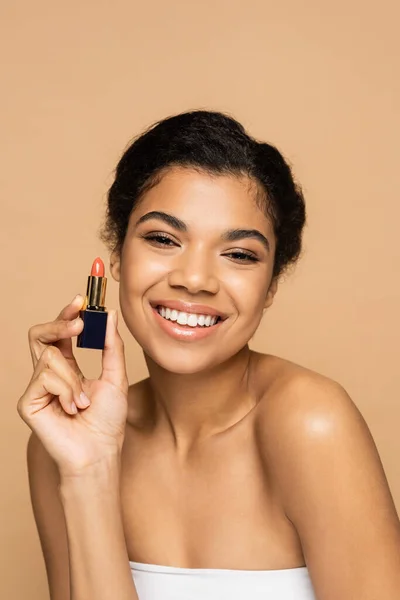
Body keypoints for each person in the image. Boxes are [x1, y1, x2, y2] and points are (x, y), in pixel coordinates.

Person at [18, 110, 400, 600]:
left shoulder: (311, 423)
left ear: (270, 287)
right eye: (163, 239)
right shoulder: (63, 444)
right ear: (116, 254)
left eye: (239, 254)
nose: (195, 278)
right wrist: (87, 472)